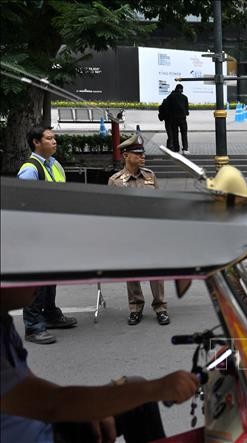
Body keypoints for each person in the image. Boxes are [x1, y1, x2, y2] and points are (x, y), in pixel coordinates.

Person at [0, 286, 198, 443]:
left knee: (134, 394)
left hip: (42, 427)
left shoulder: (4, 325)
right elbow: (50, 404)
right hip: (42, 436)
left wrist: (90, 409)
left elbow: (32, 387)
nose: (40, 283)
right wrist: (158, 388)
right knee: (140, 394)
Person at [17, 126, 77, 345]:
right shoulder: (30, 170)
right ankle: (33, 327)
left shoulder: (55, 165)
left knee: (50, 279)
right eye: (49, 138)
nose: (54, 142)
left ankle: (50, 314)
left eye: (55, 138)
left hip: (54, 231)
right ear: (36, 142)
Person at [108, 134, 170, 326]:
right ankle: (135, 307)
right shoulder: (116, 181)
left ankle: (160, 307)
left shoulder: (150, 176)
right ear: (126, 156)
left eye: (143, 153)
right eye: (137, 154)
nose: (142, 157)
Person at [162, 84, 189, 155]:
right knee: (184, 134)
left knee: (175, 134)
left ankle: (176, 148)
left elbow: (167, 107)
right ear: (182, 90)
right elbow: (187, 110)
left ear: (176, 89)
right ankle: (185, 149)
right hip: (183, 119)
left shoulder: (170, 97)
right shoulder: (185, 97)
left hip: (174, 119)